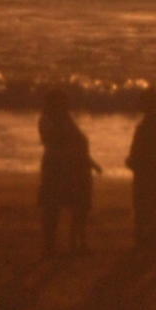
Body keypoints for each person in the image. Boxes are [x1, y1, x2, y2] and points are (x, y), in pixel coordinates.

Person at [35, 85, 98, 257]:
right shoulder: (48, 120)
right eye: (63, 101)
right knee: (52, 206)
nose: (66, 104)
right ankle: (50, 245)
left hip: (72, 166)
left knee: (76, 205)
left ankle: (74, 242)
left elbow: (76, 142)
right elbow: (55, 141)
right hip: (57, 166)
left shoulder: (64, 118)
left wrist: (89, 161)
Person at [124, 85, 156, 258]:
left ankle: (144, 240)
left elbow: (140, 148)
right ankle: (152, 240)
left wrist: (132, 161)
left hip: (148, 169)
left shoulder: (148, 124)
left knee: (144, 205)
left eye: (142, 101)